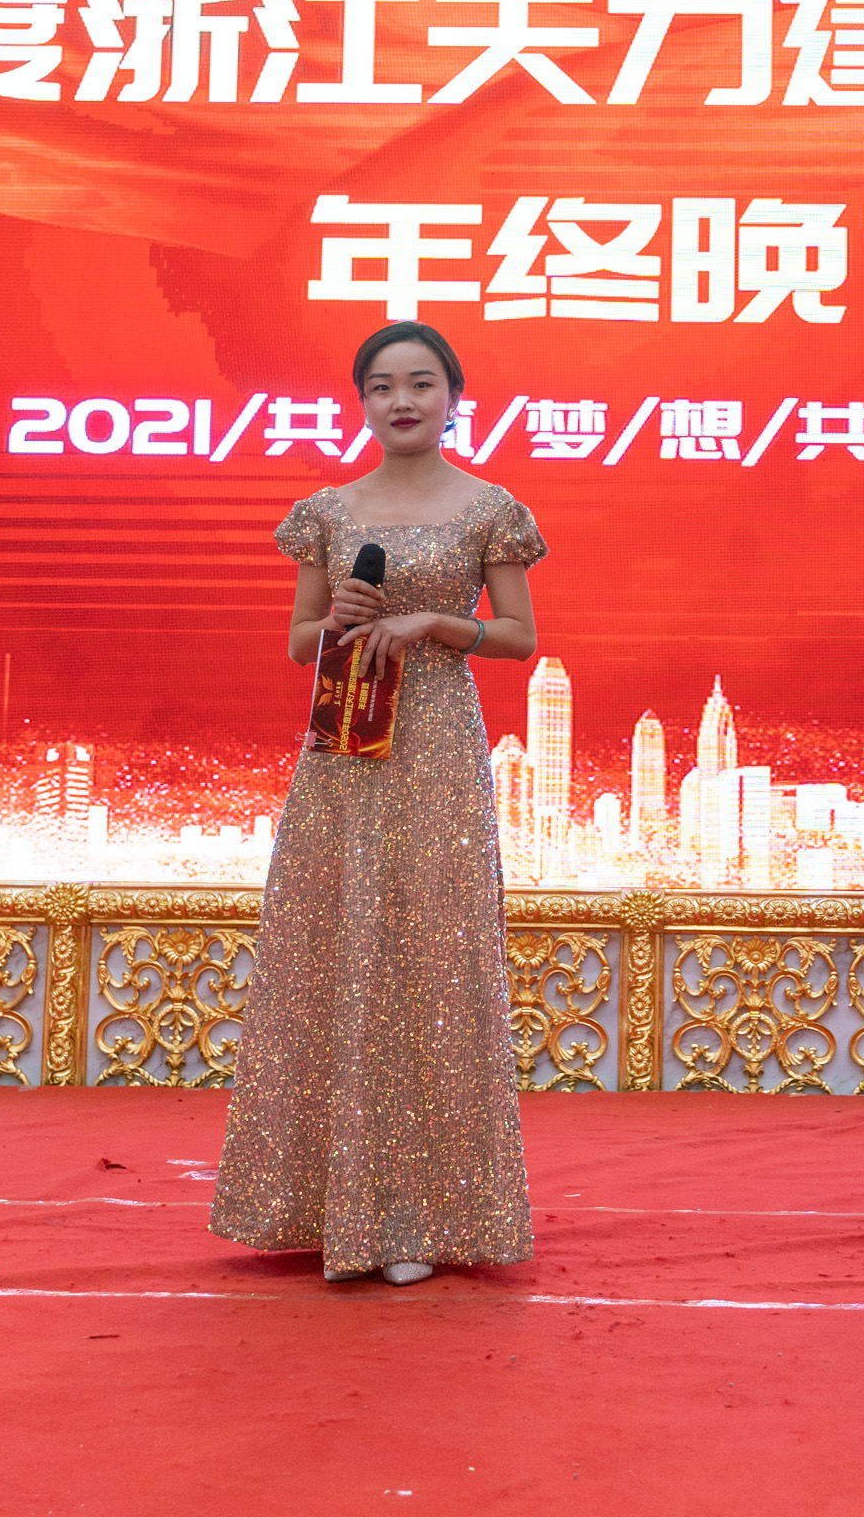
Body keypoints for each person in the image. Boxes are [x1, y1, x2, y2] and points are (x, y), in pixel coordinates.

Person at [211, 321, 546, 1286]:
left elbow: (519, 637)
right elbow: (298, 641)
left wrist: (439, 621)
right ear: (362, 403)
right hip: (346, 748)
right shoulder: (327, 511)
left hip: (437, 748)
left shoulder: (490, 508)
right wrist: (337, 620)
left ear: (453, 398)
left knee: (429, 958)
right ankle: (325, 1204)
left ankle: (417, 1216)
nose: (403, 401)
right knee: (337, 948)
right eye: (384, 386)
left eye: (422, 383)